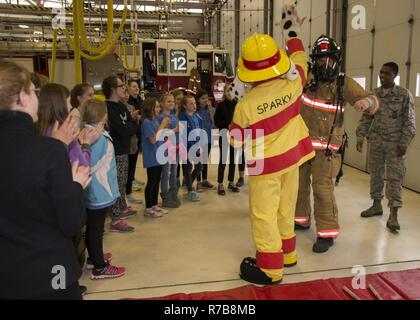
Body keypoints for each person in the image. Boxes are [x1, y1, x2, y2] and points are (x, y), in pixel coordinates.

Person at [230, 5, 315, 285]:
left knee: (263, 215)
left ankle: (270, 269)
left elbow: (236, 138)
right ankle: (288, 255)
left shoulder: (245, 105)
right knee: (285, 208)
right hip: (294, 159)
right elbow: (300, 56)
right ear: (278, 61)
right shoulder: (294, 85)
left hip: (264, 166)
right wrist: (291, 26)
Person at [0, 60, 90, 299]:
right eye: (33, 91)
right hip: (49, 272)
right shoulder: (48, 151)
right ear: (22, 97)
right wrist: (75, 186)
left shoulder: (49, 148)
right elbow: (71, 221)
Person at [294, 34, 380, 253]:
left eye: (328, 58)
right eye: (320, 59)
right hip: (302, 147)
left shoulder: (344, 85)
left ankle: (326, 233)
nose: (324, 63)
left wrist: (365, 102)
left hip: (326, 152)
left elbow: (373, 100)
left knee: (322, 189)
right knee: (299, 186)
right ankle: (301, 220)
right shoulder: (306, 81)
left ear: (335, 59)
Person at [356, 62, 416, 233]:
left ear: (395, 75)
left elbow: (410, 122)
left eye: (387, 74)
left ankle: (394, 214)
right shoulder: (374, 95)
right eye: (381, 73)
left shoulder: (404, 95)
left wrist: (404, 142)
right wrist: (360, 136)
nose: (382, 76)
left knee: (395, 178)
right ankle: (376, 205)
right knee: (376, 174)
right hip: (376, 142)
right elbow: (367, 118)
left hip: (395, 145)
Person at [79, 98, 126, 280]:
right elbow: (90, 164)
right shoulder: (98, 138)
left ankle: (93, 257)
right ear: (103, 115)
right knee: (96, 229)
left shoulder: (87, 132)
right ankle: (99, 266)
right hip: (99, 190)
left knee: (93, 226)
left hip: (93, 189)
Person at [102, 75, 139, 233]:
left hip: (124, 149)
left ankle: (122, 207)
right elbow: (123, 129)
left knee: (123, 180)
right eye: (120, 85)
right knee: (115, 183)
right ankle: (115, 218)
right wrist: (130, 127)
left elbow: (131, 126)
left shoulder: (121, 106)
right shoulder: (107, 108)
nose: (124, 87)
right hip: (115, 151)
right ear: (112, 89)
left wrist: (130, 126)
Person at [142, 98, 170, 217]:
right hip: (151, 156)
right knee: (152, 181)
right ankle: (148, 208)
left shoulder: (154, 120)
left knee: (157, 180)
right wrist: (162, 125)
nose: (159, 109)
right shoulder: (146, 122)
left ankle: (154, 204)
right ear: (151, 109)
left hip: (158, 155)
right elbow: (153, 140)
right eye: (157, 106)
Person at [214, 83, 244, 195]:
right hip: (224, 134)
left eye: (231, 91)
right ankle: (220, 184)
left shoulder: (237, 105)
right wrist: (227, 126)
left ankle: (231, 182)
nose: (229, 93)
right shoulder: (220, 106)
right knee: (223, 159)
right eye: (227, 91)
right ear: (224, 93)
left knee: (233, 159)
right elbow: (217, 122)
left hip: (235, 136)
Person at [178, 95, 204, 202]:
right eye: (191, 103)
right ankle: (190, 190)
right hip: (186, 147)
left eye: (194, 103)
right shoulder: (182, 117)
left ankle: (188, 184)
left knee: (199, 167)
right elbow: (182, 135)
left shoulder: (197, 117)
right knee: (187, 169)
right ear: (184, 106)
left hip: (196, 147)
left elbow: (200, 132)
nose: (194, 105)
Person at [159, 93, 181, 208]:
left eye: (173, 101)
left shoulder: (174, 116)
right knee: (166, 174)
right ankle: (165, 197)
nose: (171, 103)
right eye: (168, 101)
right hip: (166, 149)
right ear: (162, 103)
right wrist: (175, 129)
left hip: (175, 148)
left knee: (174, 172)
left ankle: (173, 194)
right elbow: (162, 134)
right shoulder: (161, 117)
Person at [121, 87, 143, 205]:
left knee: (131, 171)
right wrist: (132, 119)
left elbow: (136, 125)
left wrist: (135, 120)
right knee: (122, 173)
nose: (126, 95)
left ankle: (129, 193)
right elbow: (124, 127)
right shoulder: (117, 109)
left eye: (126, 93)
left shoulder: (131, 108)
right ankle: (122, 196)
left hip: (133, 143)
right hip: (122, 147)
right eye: (124, 92)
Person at [196, 91, 216, 191]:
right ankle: (198, 182)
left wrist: (210, 110)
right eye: (203, 98)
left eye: (207, 98)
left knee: (204, 160)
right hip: (198, 139)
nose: (205, 100)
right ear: (198, 100)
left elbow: (214, 122)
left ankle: (204, 180)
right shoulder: (196, 110)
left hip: (209, 138)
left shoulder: (211, 110)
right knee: (198, 160)